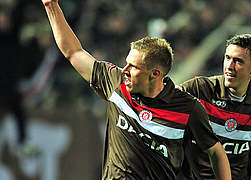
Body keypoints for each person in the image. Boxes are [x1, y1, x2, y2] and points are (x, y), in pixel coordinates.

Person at [41, 0, 232, 179]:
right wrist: (51, 6)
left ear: (155, 74)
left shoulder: (187, 108)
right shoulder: (117, 84)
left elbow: (215, 150)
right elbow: (74, 52)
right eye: (126, 63)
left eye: (134, 67)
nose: (125, 70)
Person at [180, 34, 251, 180]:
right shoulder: (199, 89)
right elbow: (164, 99)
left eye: (238, 61)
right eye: (227, 58)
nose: (229, 66)